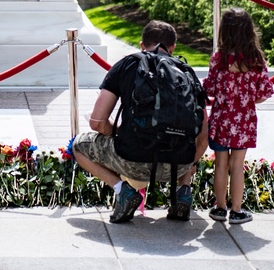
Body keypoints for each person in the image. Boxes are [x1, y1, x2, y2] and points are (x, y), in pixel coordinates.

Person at [73, 20, 208, 223]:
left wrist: (117, 131)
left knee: (78, 145)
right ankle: (183, 190)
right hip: (179, 165)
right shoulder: (186, 72)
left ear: (141, 45)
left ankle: (123, 191)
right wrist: (190, 162)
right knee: (187, 140)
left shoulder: (128, 64)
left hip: (132, 159)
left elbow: (97, 123)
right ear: (173, 48)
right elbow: (204, 136)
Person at [202, 8, 274, 225]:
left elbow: (211, 89)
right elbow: (264, 93)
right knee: (237, 164)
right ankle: (236, 210)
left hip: (221, 118)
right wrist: (247, 99)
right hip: (243, 120)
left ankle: (220, 207)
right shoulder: (254, 59)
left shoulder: (218, 58)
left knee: (220, 164)